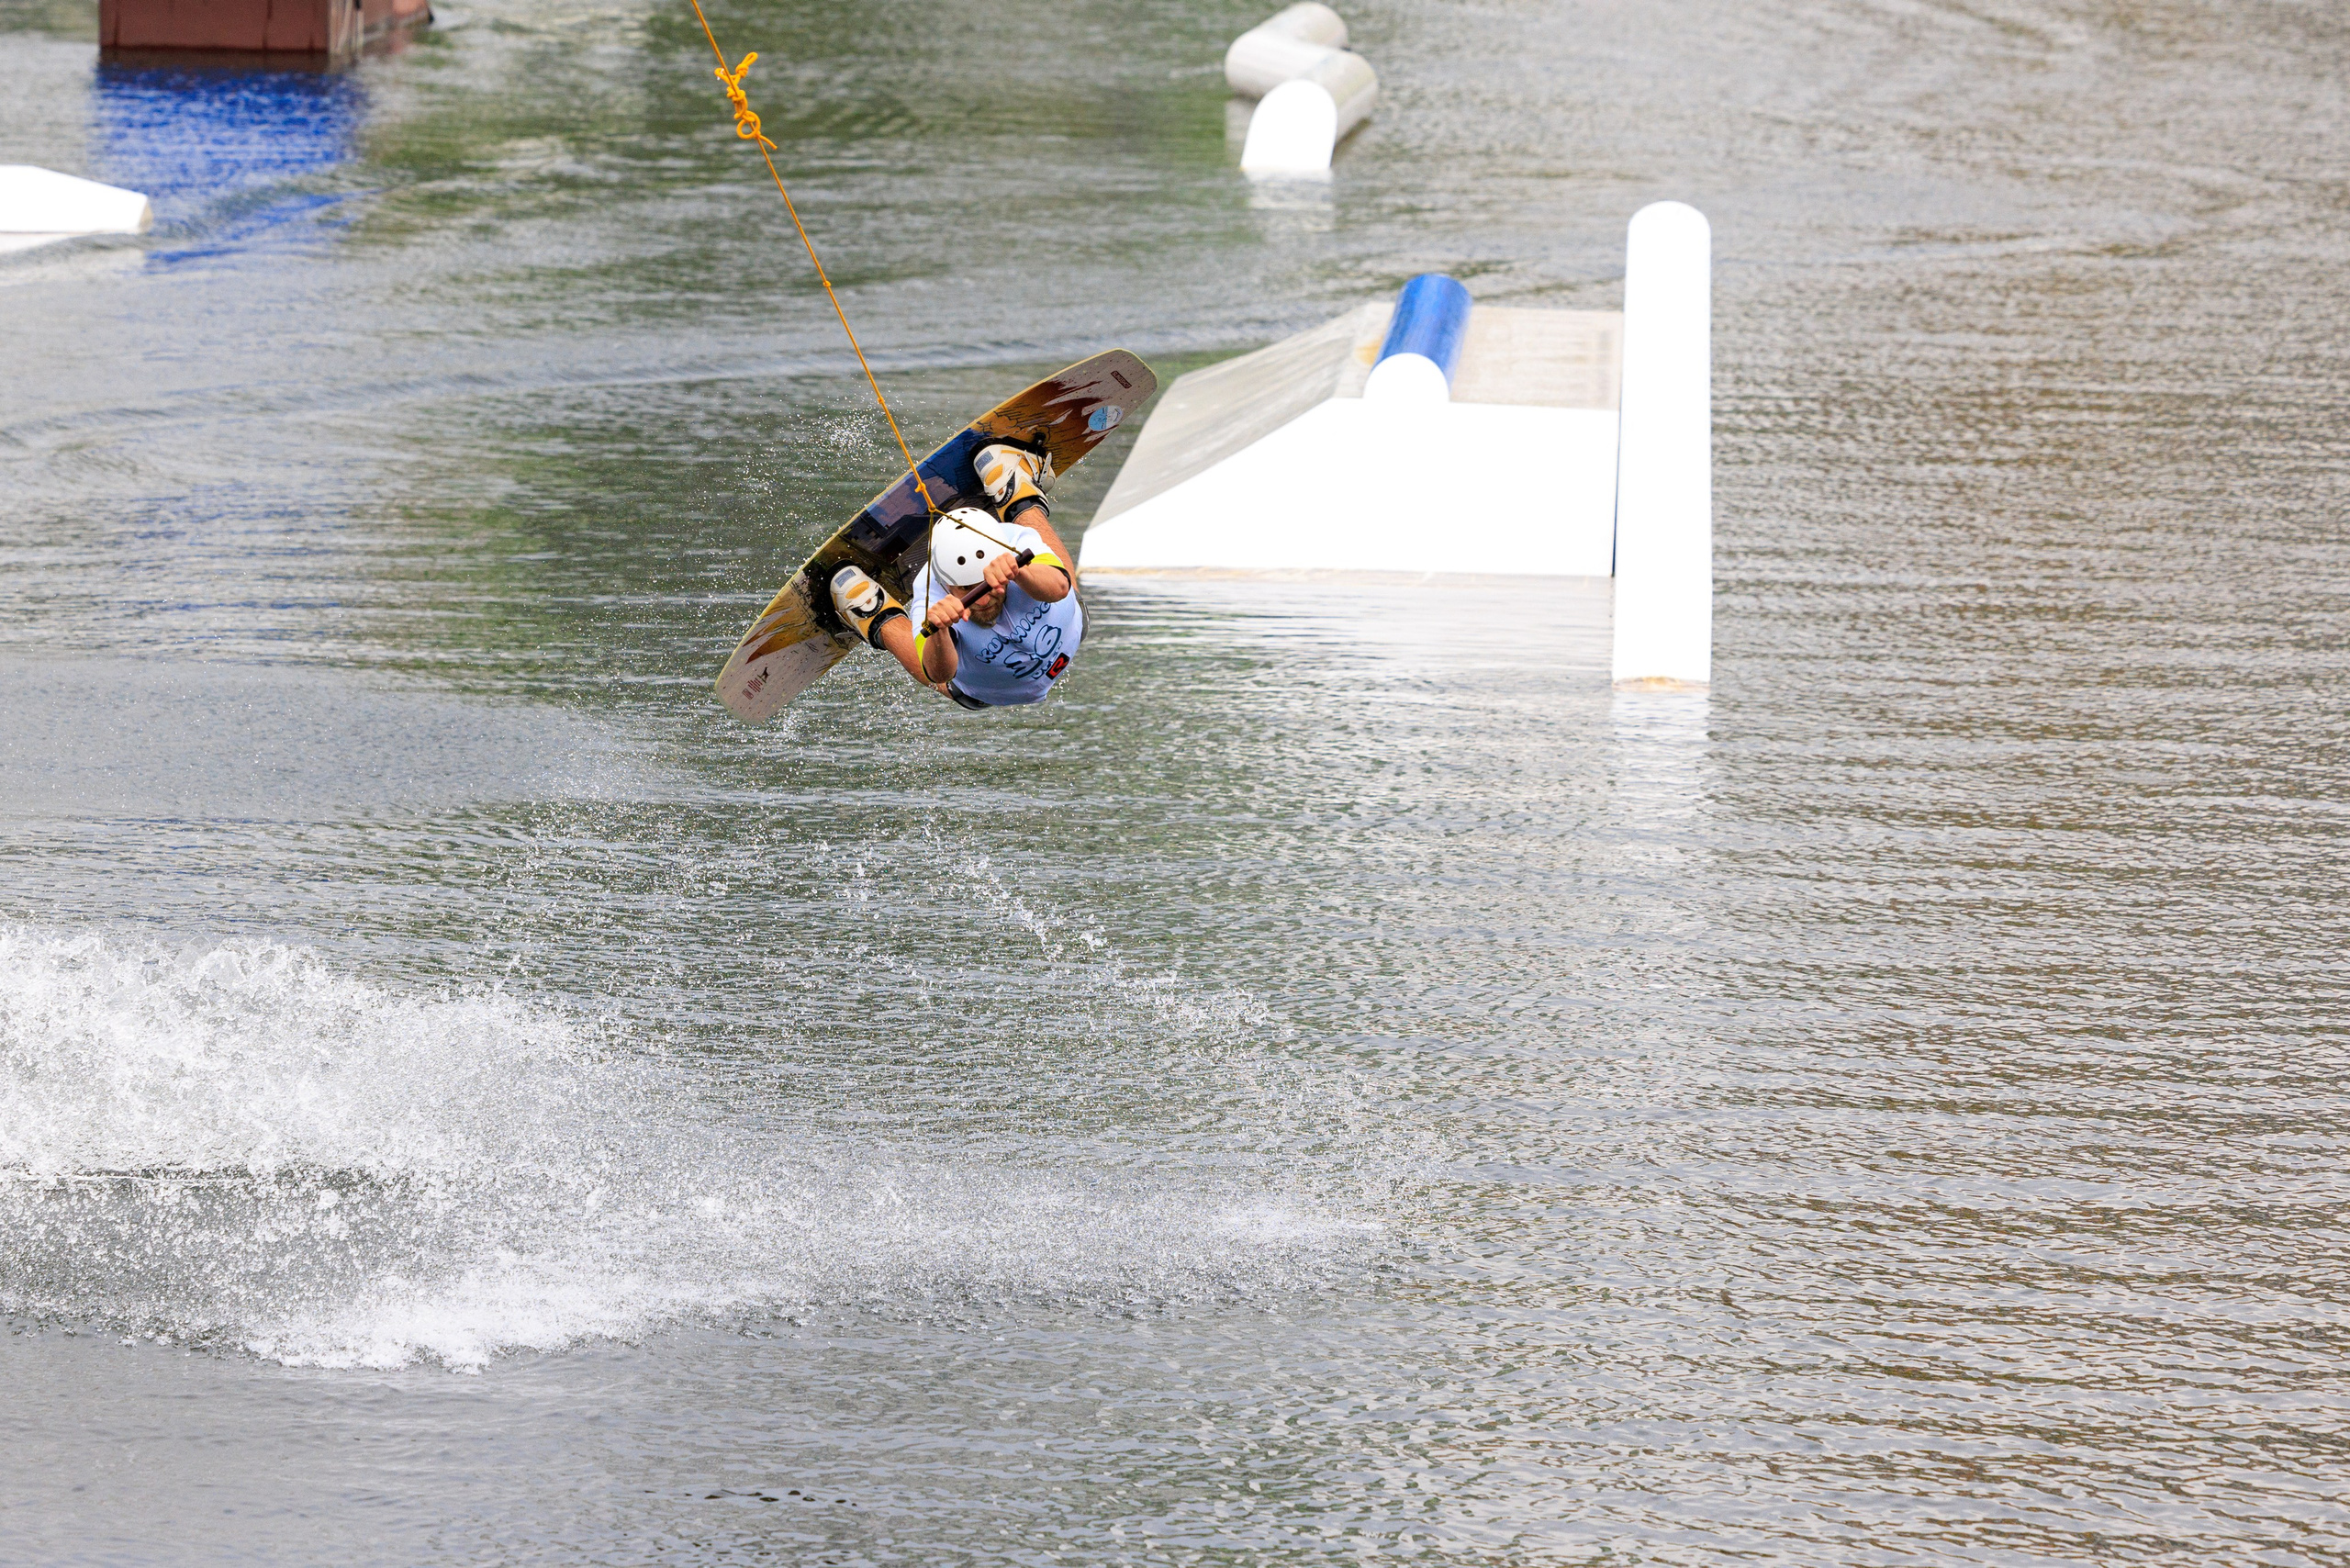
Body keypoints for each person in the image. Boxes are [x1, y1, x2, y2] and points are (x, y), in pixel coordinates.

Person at [824, 443, 1085, 709]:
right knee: (932, 658)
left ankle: (1015, 491)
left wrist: (1021, 573)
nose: (982, 601)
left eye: (986, 587)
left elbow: (1059, 588)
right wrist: (939, 631)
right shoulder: (930, 595)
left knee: (1059, 577)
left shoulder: (1013, 542)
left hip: (1072, 631)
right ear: (946, 584)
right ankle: (878, 615)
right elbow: (939, 673)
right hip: (987, 691)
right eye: (966, 589)